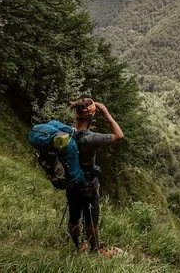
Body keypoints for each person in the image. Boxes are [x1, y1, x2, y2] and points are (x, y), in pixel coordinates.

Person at [66, 98, 124, 253]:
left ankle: (78, 246)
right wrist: (106, 113)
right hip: (88, 185)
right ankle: (95, 250)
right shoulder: (91, 139)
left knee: (74, 217)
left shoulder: (67, 133)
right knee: (91, 220)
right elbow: (119, 135)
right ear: (91, 117)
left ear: (76, 116)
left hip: (71, 182)